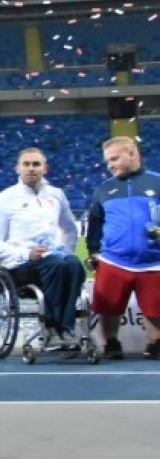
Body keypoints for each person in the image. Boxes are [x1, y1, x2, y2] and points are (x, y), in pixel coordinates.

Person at [0, 147, 87, 346]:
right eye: (26, 164)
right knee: (56, 264)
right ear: (17, 169)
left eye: (36, 164)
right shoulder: (3, 200)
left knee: (72, 263)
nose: (31, 169)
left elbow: (70, 229)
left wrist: (67, 250)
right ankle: (55, 328)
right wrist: (26, 254)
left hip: (53, 260)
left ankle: (65, 326)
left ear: (45, 168)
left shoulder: (56, 195)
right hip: (19, 267)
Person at [85, 136, 160, 360]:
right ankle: (111, 343)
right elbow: (95, 223)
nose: (110, 165)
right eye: (108, 161)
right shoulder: (103, 189)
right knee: (109, 307)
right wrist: (93, 251)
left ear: (132, 153)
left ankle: (155, 343)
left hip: (153, 259)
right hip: (114, 259)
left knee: (156, 308)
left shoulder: (156, 182)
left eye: (115, 159)